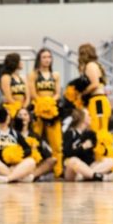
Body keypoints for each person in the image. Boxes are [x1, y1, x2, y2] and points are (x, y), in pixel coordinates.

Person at [28, 48, 63, 177]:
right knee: (35, 141)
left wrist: (50, 103)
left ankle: (58, 172)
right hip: (38, 110)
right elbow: (32, 94)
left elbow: (58, 94)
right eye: (44, 57)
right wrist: (42, 104)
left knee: (57, 144)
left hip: (52, 112)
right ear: (39, 59)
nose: (47, 59)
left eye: (49, 57)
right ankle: (33, 170)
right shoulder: (33, 75)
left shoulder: (56, 75)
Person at [62, 108, 113, 182]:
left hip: (87, 167)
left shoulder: (90, 134)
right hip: (73, 171)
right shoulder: (70, 133)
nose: (91, 118)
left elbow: (90, 157)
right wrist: (82, 147)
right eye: (89, 115)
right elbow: (67, 153)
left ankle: (86, 176)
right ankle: (101, 177)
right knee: (73, 160)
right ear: (82, 118)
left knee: (110, 161)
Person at [0, 109, 36, 184]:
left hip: (11, 167)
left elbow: (28, 149)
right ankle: (19, 177)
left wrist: (17, 156)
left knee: (31, 161)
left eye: (8, 115)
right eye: (4, 115)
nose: (6, 117)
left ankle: (8, 178)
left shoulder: (14, 133)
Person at [14, 107, 56, 181]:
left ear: (29, 118)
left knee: (52, 160)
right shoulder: (12, 134)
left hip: (33, 165)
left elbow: (46, 154)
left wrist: (36, 150)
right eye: (20, 115)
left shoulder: (35, 136)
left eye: (25, 115)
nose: (23, 117)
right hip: (17, 163)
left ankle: (30, 176)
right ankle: (18, 175)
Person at [0, 53, 29, 119]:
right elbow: (8, 97)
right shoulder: (6, 77)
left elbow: (27, 96)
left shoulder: (23, 78)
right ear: (14, 63)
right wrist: (17, 107)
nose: (21, 63)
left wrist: (24, 107)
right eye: (20, 61)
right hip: (11, 108)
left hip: (22, 109)